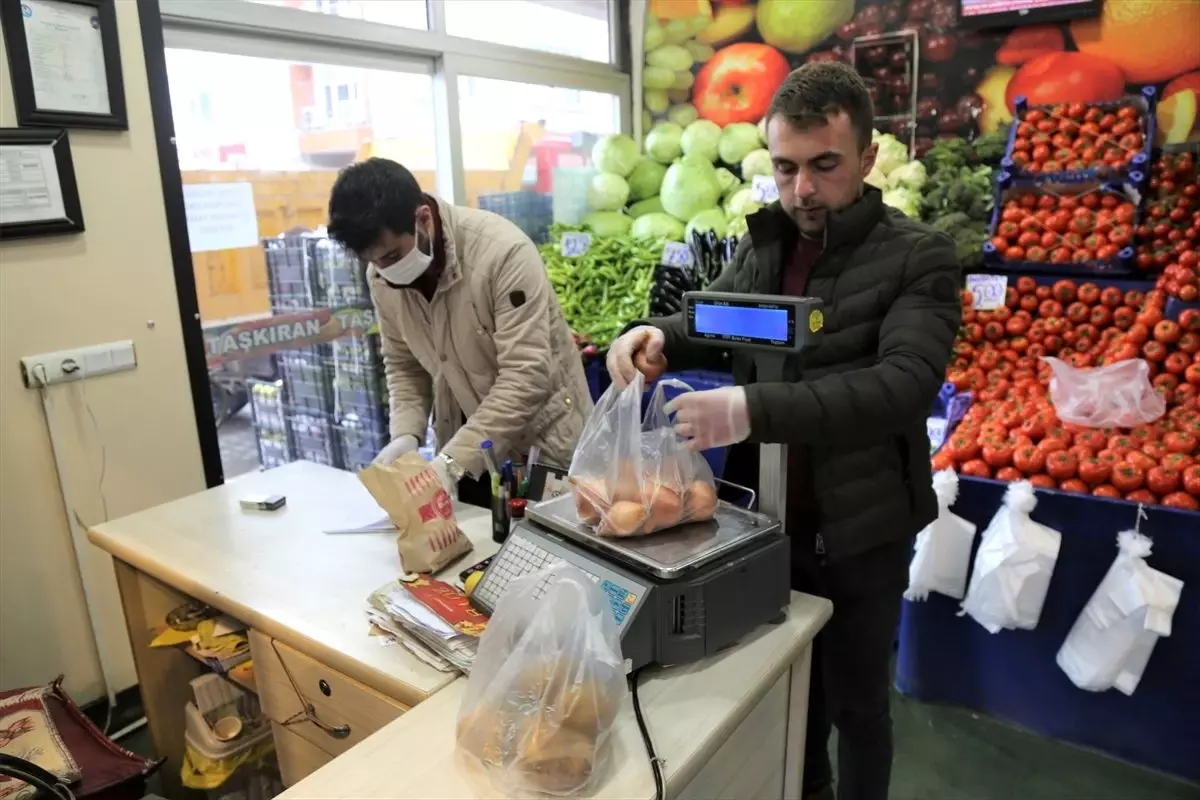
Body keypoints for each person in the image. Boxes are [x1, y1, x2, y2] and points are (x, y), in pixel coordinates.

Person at [607, 63, 962, 800]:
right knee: (789, 694)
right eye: (787, 167)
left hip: (862, 530)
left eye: (825, 166)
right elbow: (716, 321)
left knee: (859, 707)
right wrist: (656, 337)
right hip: (767, 529)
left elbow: (901, 387)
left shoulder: (916, 257)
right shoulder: (767, 246)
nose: (802, 189)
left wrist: (749, 411)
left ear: (866, 159)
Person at [327, 158, 592, 505]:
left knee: (543, 551)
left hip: (542, 450)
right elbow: (403, 363)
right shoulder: (382, 278)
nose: (384, 270)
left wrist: (452, 463)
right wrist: (406, 434)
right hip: (467, 452)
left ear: (423, 219)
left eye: (392, 255)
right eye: (374, 261)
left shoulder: (502, 253)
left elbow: (525, 376)